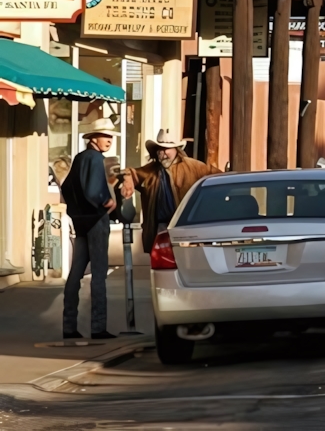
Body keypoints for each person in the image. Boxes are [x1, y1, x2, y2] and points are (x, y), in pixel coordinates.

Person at [60, 117, 118, 340]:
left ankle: (69, 326)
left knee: (76, 273)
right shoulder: (95, 159)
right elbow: (95, 191)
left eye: (110, 136)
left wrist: (76, 210)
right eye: (105, 136)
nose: (109, 140)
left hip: (80, 220)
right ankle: (98, 326)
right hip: (96, 220)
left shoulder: (79, 158)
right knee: (99, 274)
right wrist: (108, 202)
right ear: (93, 138)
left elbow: (66, 187)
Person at [119, 129, 221, 253]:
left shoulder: (194, 167)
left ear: (176, 150)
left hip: (185, 228)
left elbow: (217, 178)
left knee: (185, 262)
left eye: (167, 149)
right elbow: (131, 173)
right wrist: (127, 180)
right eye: (160, 150)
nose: (163, 153)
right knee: (162, 265)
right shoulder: (150, 171)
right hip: (161, 228)